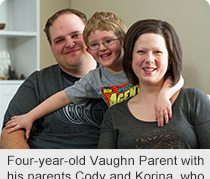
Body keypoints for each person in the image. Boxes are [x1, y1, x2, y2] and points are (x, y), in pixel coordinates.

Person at [3, 12, 184, 140]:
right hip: (121, 135)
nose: (102, 48)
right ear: (89, 50)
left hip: (153, 124)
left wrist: (164, 95)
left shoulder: (136, 65)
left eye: (108, 41)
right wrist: (29, 116)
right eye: (95, 44)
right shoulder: (94, 79)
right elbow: (63, 97)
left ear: (124, 40)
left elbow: (175, 76)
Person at [0, 9, 106, 149]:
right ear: (52, 48)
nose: (69, 44)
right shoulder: (37, 82)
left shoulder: (119, 77)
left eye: (76, 35)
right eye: (60, 40)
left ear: (90, 36)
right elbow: (10, 132)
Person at [98, 19, 210, 149]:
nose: (149, 59)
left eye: (158, 52)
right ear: (130, 59)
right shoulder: (114, 116)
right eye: (141, 52)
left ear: (169, 60)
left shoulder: (193, 100)